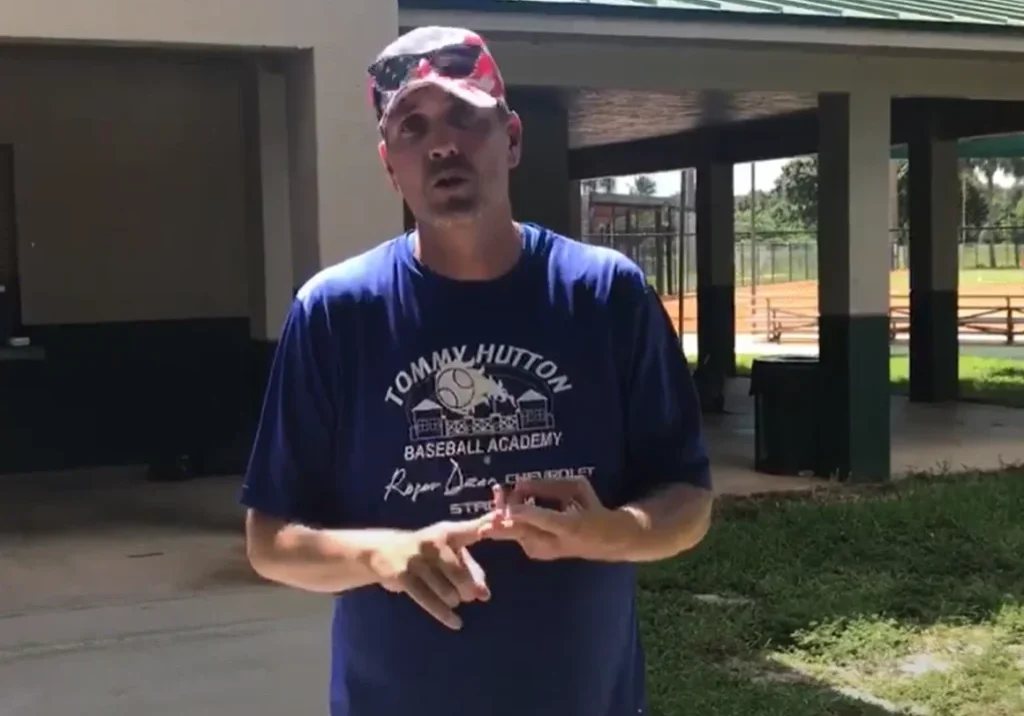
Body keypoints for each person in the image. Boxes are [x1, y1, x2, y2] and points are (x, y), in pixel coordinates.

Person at [240, 25, 714, 716]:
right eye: (413, 125)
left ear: (512, 138)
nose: (442, 142)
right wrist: (388, 557)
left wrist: (611, 531)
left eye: (466, 115)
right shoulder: (335, 313)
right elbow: (270, 542)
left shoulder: (605, 296)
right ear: (389, 163)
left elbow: (689, 500)